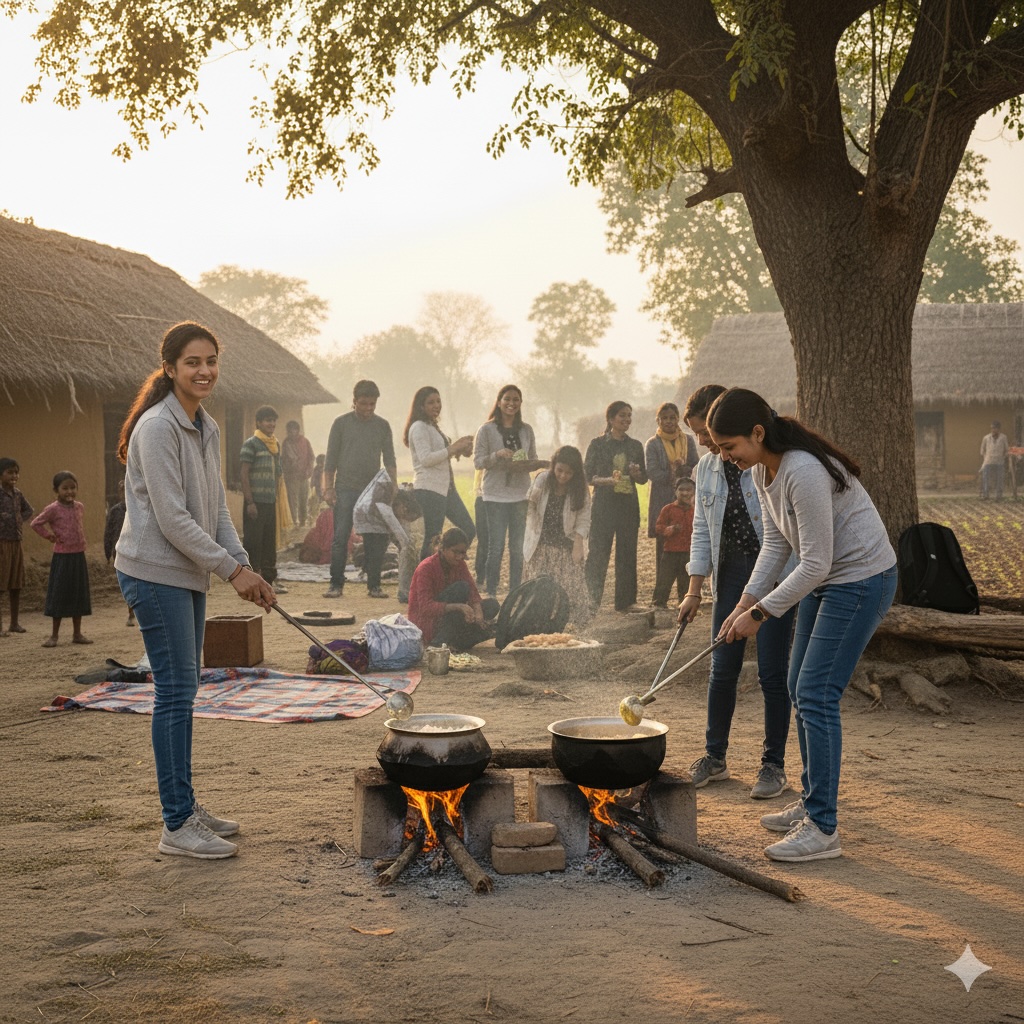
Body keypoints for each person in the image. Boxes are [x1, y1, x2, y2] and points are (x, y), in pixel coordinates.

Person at [709, 387, 897, 863]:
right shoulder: (760, 472)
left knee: (816, 693)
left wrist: (759, 615)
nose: (726, 457)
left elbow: (814, 562)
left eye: (729, 447)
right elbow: (775, 544)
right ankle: (813, 805)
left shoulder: (803, 471)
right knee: (798, 685)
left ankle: (823, 828)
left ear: (757, 432)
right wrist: (743, 601)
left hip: (860, 579)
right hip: (829, 579)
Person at [115, 320, 275, 860]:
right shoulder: (157, 428)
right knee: (176, 693)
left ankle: (185, 805)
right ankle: (176, 824)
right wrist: (232, 573)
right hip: (152, 570)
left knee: (186, 691)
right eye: (192, 363)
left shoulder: (204, 425)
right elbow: (174, 520)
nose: (204, 371)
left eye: (210, 362)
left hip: (185, 573)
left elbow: (215, 512)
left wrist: (246, 566)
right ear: (170, 368)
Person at [678, 384, 795, 801]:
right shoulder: (705, 469)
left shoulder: (763, 465)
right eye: (697, 435)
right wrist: (693, 590)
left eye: (706, 434)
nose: (704, 443)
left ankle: (773, 764)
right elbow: (700, 531)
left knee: (771, 672)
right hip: (729, 574)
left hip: (773, 571)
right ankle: (715, 757)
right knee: (721, 666)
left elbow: (779, 536)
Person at [322, 380, 397, 599]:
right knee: (340, 537)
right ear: (354, 402)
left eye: (372, 404)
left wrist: (393, 487)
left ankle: (374, 585)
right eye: (363, 404)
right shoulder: (341, 424)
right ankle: (336, 584)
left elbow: (390, 459)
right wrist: (328, 489)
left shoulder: (383, 426)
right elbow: (330, 460)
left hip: (373, 491)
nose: (368, 409)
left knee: (375, 538)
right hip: (345, 489)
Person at [474, 384, 544, 599]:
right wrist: (497, 455)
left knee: (517, 548)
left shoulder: (526, 430)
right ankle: (492, 592)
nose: (511, 403)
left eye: (516, 400)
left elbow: (531, 459)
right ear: (499, 401)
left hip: (521, 495)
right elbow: (478, 462)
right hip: (494, 496)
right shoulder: (486, 430)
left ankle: (515, 592)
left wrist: (538, 464)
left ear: (520, 403)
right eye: (507, 399)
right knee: (496, 547)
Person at [584, 400, 648, 613]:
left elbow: (642, 479)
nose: (627, 419)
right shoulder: (597, 444)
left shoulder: (635, 446)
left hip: (628, 506)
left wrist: (637, 473)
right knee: (598, 553)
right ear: (611, 419)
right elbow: (587, 476)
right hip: (603, 506)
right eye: (622, 415)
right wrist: (606, 481)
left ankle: (626, 602)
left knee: (627, 554)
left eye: (629, 415)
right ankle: (590, 602)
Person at [403, 386, 475, 561]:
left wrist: (460, 450)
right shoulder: (418, 427)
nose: (436, 405)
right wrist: (453, 448)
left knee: (469, 529)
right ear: (421, 406)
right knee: (433, 538)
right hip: (429, 489)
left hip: (447, 488)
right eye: (431, 402)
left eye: (438, 401)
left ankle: (444, 562)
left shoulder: (432, 427)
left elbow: (441, 455)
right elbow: (426, 459)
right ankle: (426, 577)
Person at [523, 445, 592, 625]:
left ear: (575, 473)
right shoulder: (543, 480)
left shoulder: (581, 490)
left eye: (568, 473)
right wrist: (531, 528)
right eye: (559, 470)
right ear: (553, 466)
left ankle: (570, 627)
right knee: (540, 589)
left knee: (571, 589)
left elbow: (584, 520)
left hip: (565, 546)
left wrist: (578, 545)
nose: (562, 476)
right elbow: (530, 506)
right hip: (540, 545)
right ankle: (536, 625)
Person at [408, 527, 500, 651]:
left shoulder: (460, 564)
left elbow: (473, 591)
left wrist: (478, 613)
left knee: (492, 605)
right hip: (428, 622)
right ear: (443, 548)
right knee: (461, 589)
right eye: (456, 552)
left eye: (463, 553)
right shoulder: (426, 568)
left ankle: (455, 641)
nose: (459, 557)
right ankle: (439, 642)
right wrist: (459, 607)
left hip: (450, 619)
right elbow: (425, 607)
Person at [645, 402, 699, 604]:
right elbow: (652, 472)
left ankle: (685, 596)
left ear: (678, 419)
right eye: (664, 418)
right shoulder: (653, 443)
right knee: (664, 551)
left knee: (687, 547)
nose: (668, 421)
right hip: (663, 500)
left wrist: (682, 469)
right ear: (658, 421)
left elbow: (695, 465)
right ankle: (660, 599)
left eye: (672, 417)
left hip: (686, 498)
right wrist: (673, 472)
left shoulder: (688, 440)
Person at [31, 470, 92, 647]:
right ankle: (54, 636)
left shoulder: (79, 507)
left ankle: (77, 634)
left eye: (73, 488)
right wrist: (49, 536)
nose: (70, 492)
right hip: (62, 557)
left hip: (78, 555)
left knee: (78, 594)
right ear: (56, 490)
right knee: (59, 594)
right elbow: (36, 523)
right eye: (65, 488)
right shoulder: (52, 509)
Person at [240, 405, 288, 595]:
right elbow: (244, 474)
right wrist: (250, 502)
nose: (272, 424)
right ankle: (252, 581)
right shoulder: (251, 444)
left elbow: (278, 474)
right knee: (254, 542)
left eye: (273, 420)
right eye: (268, 420)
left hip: (270, 501)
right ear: (259, 422)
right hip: (255, 503)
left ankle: (269, 580)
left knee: (269, 541)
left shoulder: (276, 445)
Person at [0, 456, 33, 637]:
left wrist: (19, 519)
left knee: (16, 584)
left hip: (16, 543)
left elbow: (29, 510)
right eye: (9, 472)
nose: (14, 476)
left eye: (16, 473)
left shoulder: (18, 494)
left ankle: (14, 623)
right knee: (1, 584)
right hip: (1, 543)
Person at [652, 477, 695, 608]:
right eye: (681, 490)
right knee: (664, 580)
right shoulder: (668, 509)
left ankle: (684, 606)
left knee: (686, 581)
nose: (685, 493)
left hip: (688, 553)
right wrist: (669, 530)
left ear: (694, 492)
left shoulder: (696, 510)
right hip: (670, 552)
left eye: (689, 490)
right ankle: (658, 604)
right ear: (675, 491)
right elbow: (658, 527)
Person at [103, 479, 136, 626]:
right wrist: (107, 552)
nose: (124, 492)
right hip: (120, 551)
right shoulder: (115, 511)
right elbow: (108, 532)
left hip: (136, 551)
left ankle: (135, 612)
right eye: (121, 489)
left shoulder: (138, 508)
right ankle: (131, 613)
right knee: (128, 583)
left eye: (126, 488)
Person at [281, 420, 316, 527]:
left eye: (293, 430)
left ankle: (303, 521)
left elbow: (311, 457)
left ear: (297, 431)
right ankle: (294, 521)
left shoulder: (305, 441)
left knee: (304, 499)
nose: (291, 433)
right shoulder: (286, 443)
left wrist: (309, 470)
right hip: (291, 476)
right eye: (289, 431)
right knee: (293, 499)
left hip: (304, 475)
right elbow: (283, 460)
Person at [980, 420, 1009, 500]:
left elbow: (1006, 450)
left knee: (999, 479)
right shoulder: (986, 438)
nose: (993, 430)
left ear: (999, 429)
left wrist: (1003, 457)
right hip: (988, 461)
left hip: (999, 461)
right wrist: (985, 458)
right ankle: (986, 495)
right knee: (986, 478)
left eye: (995, 428)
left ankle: (998, 496)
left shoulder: (1003, 437)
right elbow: (982, 450)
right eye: (992, 428)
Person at [471, 467, 489, 587]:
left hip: (500, 498)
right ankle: (481, 576)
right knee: (484, 540)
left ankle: (486, 576)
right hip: (484, 497)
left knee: (491, 540)